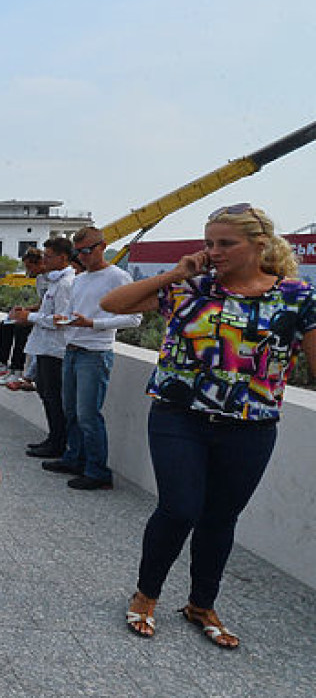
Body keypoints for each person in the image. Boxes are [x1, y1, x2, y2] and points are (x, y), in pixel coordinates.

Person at [100, 204, 316, 649]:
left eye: (225, 243)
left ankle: (202, 604)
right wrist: (175, 273)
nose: (214, 251)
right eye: (210, 242)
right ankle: (147, 594)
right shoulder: (191, 287)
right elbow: (111, 304)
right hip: (180, 416)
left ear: (259, 245)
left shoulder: (297, 297)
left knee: (220, 517)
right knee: (179, 508)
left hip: (251, 424)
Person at [40, 226, 140, 490]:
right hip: (72, 348)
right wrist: (68, 320)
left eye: (87, 250)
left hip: (95, 353)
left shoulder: (118, 277)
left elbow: (134, 318)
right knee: (70, 411)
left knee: (88, 414)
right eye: (78, 251)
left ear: (102, 247)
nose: (82, 256)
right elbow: (75, 312)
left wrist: (93, 324)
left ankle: (97, 471)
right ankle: (74, 458)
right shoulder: (79, 280)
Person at [10, 236, 75, 457]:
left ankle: (58, 443)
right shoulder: (54, 282)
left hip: (57, 349)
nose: (44, 261)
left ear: (63, 258)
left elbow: (62, 318)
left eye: (48, 256)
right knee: (47, 395)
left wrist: (32, 317)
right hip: (46, 346)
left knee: (54, 397)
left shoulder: (66, 284)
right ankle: (53, 438)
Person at [0, 249, 43, 381]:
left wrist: (27, 315)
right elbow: (42, 303)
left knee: (21, 328)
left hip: (45, 318)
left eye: (30, 267)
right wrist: (23, 310)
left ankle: (17, 368)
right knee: (6, 324)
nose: (28, 271)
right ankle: (1, 362)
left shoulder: (55, 280)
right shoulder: (41, 280)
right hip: (39, 313)